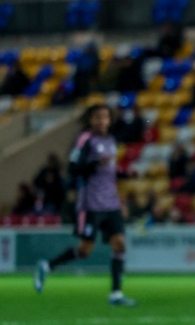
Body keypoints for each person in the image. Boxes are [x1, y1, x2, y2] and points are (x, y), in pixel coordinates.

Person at [34, 104, 138, 307]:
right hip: (91, 203)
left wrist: (125, 174)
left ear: (110, 120)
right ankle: (47, 266)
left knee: (120, 244)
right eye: (98, 117)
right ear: (91, 120)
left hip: (111, 202)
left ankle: (116, 293)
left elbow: (109, 172)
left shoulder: (110, 140)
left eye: (105, 117)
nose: (102, 121)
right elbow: (73, 168)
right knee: (84, 250)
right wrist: (94, 164)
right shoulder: (85, 140)